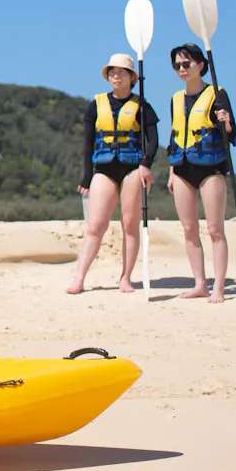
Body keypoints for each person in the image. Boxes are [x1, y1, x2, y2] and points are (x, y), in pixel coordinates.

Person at [66, 54, 158, 295]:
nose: (116, 75)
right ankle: (79, 278)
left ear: (132, 77)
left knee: (129, 224)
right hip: (104, 169)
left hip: (132, 169)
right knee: (95, 226)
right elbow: (87, 144)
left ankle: (126, 278)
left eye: (121, 71)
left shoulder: (142, 106)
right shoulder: (96, 105)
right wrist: (86, 177)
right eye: (112, 71)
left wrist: (146, 164)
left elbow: (153, 140)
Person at [166, 43, 236, 302]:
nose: (182, 69)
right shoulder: (175, 99)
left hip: (211, 168)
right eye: (177, 65)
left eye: (186, 64)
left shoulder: (217, 94)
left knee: (215, 229)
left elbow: (232, 135)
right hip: (183, 168)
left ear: (201, 65)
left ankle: (218, 286)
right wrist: (172, 171)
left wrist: (226, 123)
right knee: (188, 228)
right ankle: (200, 283)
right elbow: (174, 136)